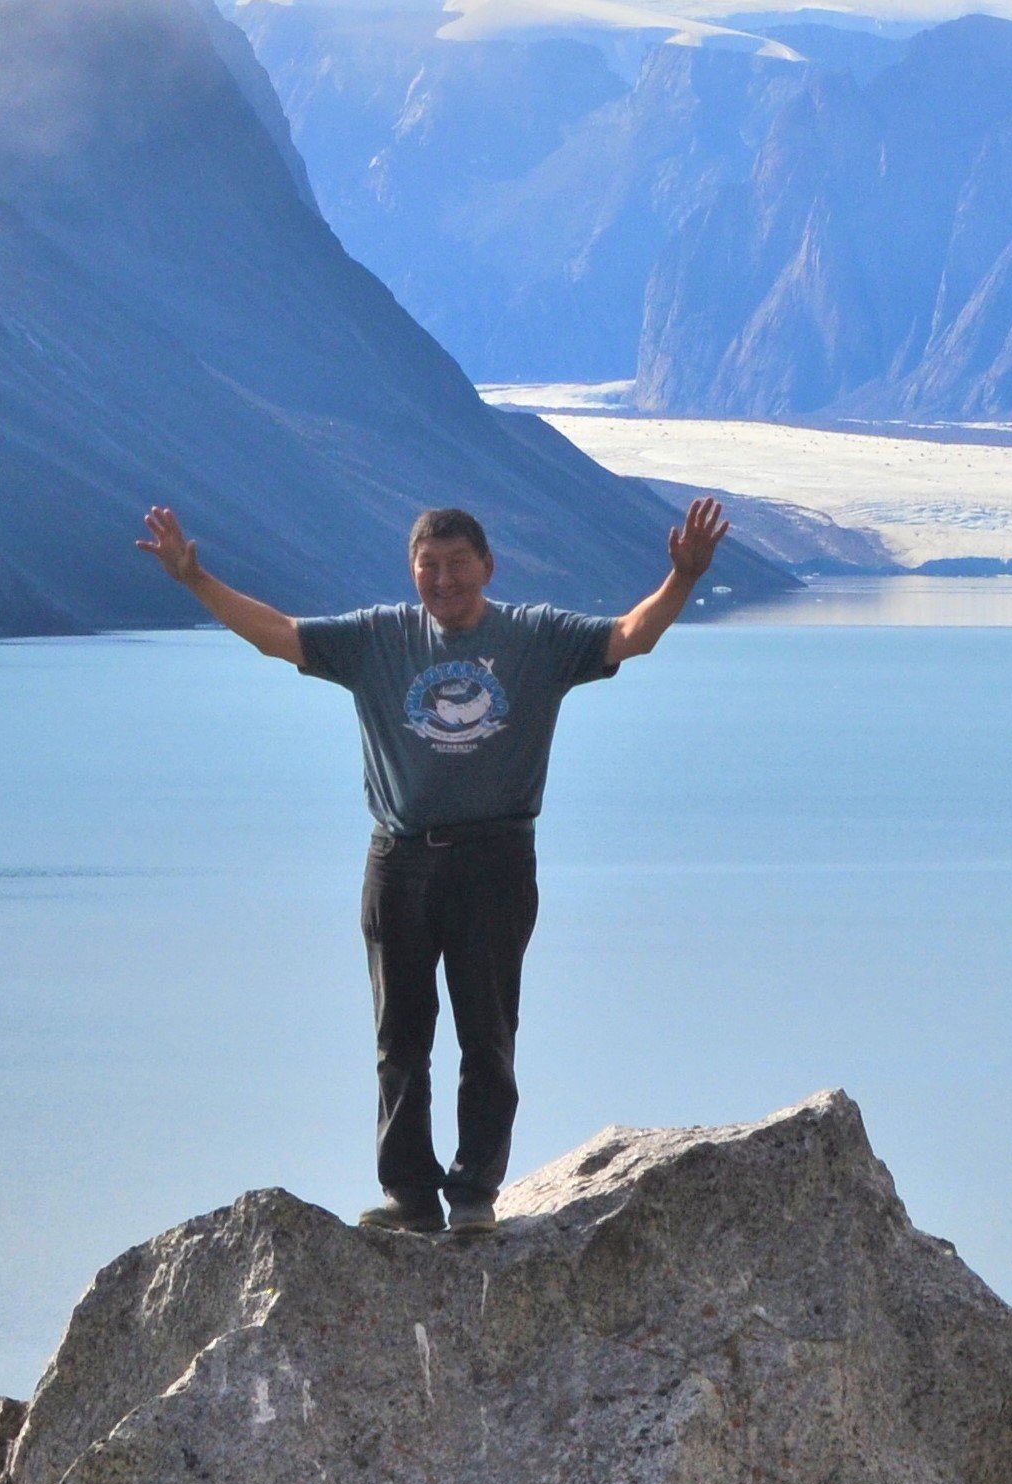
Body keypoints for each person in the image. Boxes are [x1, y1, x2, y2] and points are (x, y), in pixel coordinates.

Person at [133, 496, 731, 1235]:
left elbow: (630, 637)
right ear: (412, 571)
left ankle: (474, 1192)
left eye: (457, 564)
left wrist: (683, 580)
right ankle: (409, 1197)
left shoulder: (536, 636)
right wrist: (196, 579)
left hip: (495, 858)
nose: (442, 579)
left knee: (487, 1033)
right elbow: (279, 636)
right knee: (400, 1037)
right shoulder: (378, 637)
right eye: (429, 565)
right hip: (399, 859)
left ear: (488, 566)